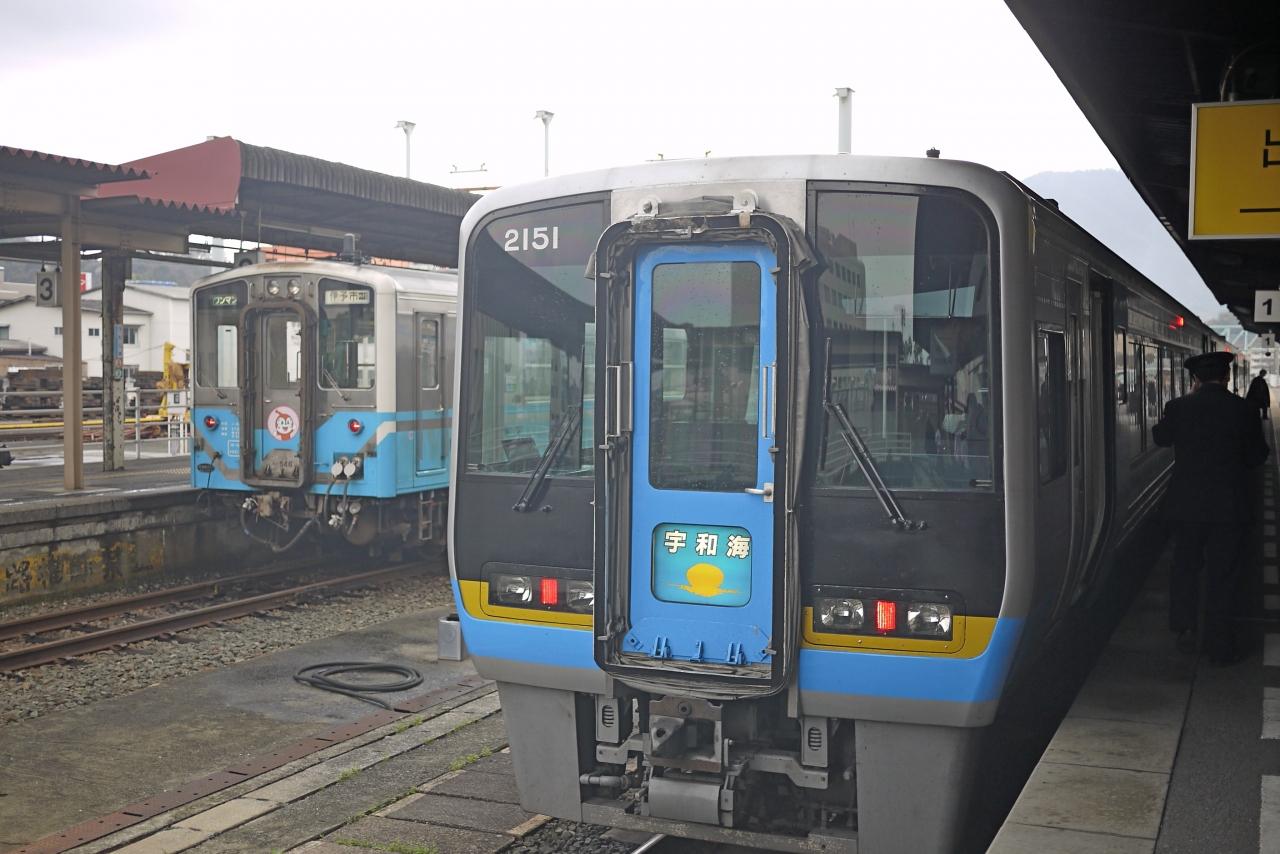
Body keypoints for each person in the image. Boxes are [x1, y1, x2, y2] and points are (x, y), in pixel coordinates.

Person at [1152, 351, 1269, 664]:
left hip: (1186, 506)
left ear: (1195, 380)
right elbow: (1258, 456)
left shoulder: (1178, 407)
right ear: (1227, 377)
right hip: (1229, 508)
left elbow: (1160, 438)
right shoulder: (1244, 409)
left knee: (1185, 568)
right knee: (1223, 574)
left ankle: (1185, 629)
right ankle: (1219, 645)